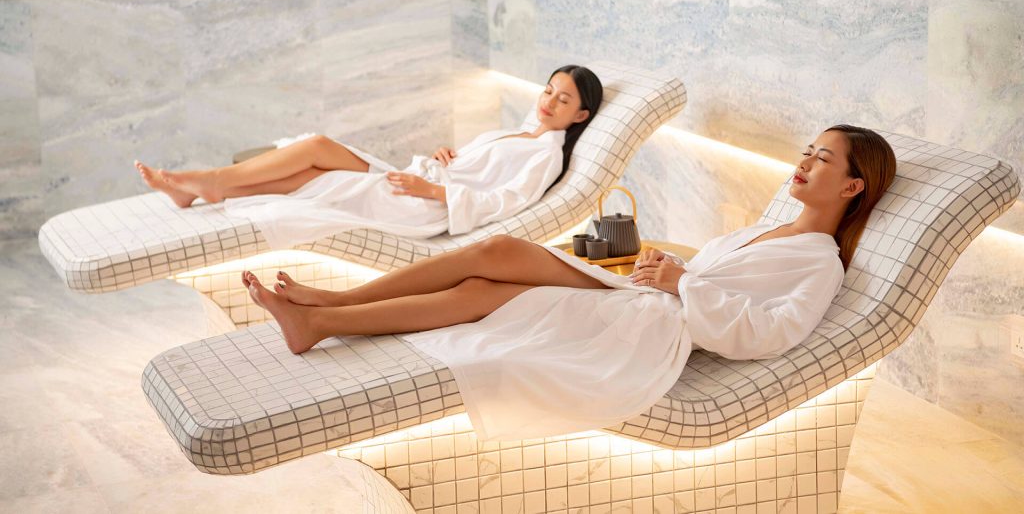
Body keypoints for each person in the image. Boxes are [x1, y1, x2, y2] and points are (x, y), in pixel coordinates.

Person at [242, 124, 897, 441]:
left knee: (485, 282)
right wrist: (666, 269)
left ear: (851, 185)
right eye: (806, 150)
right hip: (644, 299)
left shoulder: (820, 260)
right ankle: (328, 307)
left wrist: (682, 286)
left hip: (650, 331)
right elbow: (701, 274)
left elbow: (771, 332)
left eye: (822, 157)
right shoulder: (764, 230)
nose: (804, 161)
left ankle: (325, 315)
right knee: (492, 263)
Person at [134, 65, 603, 249]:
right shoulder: (521, 132)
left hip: (423, 204)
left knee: (318, 159)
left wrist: (435, 189)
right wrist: (448, 157)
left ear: (580, 114)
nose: (547, 101)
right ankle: (205, 188)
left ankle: (208, 183)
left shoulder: (544, 156)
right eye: (548, 90)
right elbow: (480, 168)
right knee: (316, 164)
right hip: (421, 183)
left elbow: (505, 202)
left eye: (562, 101)